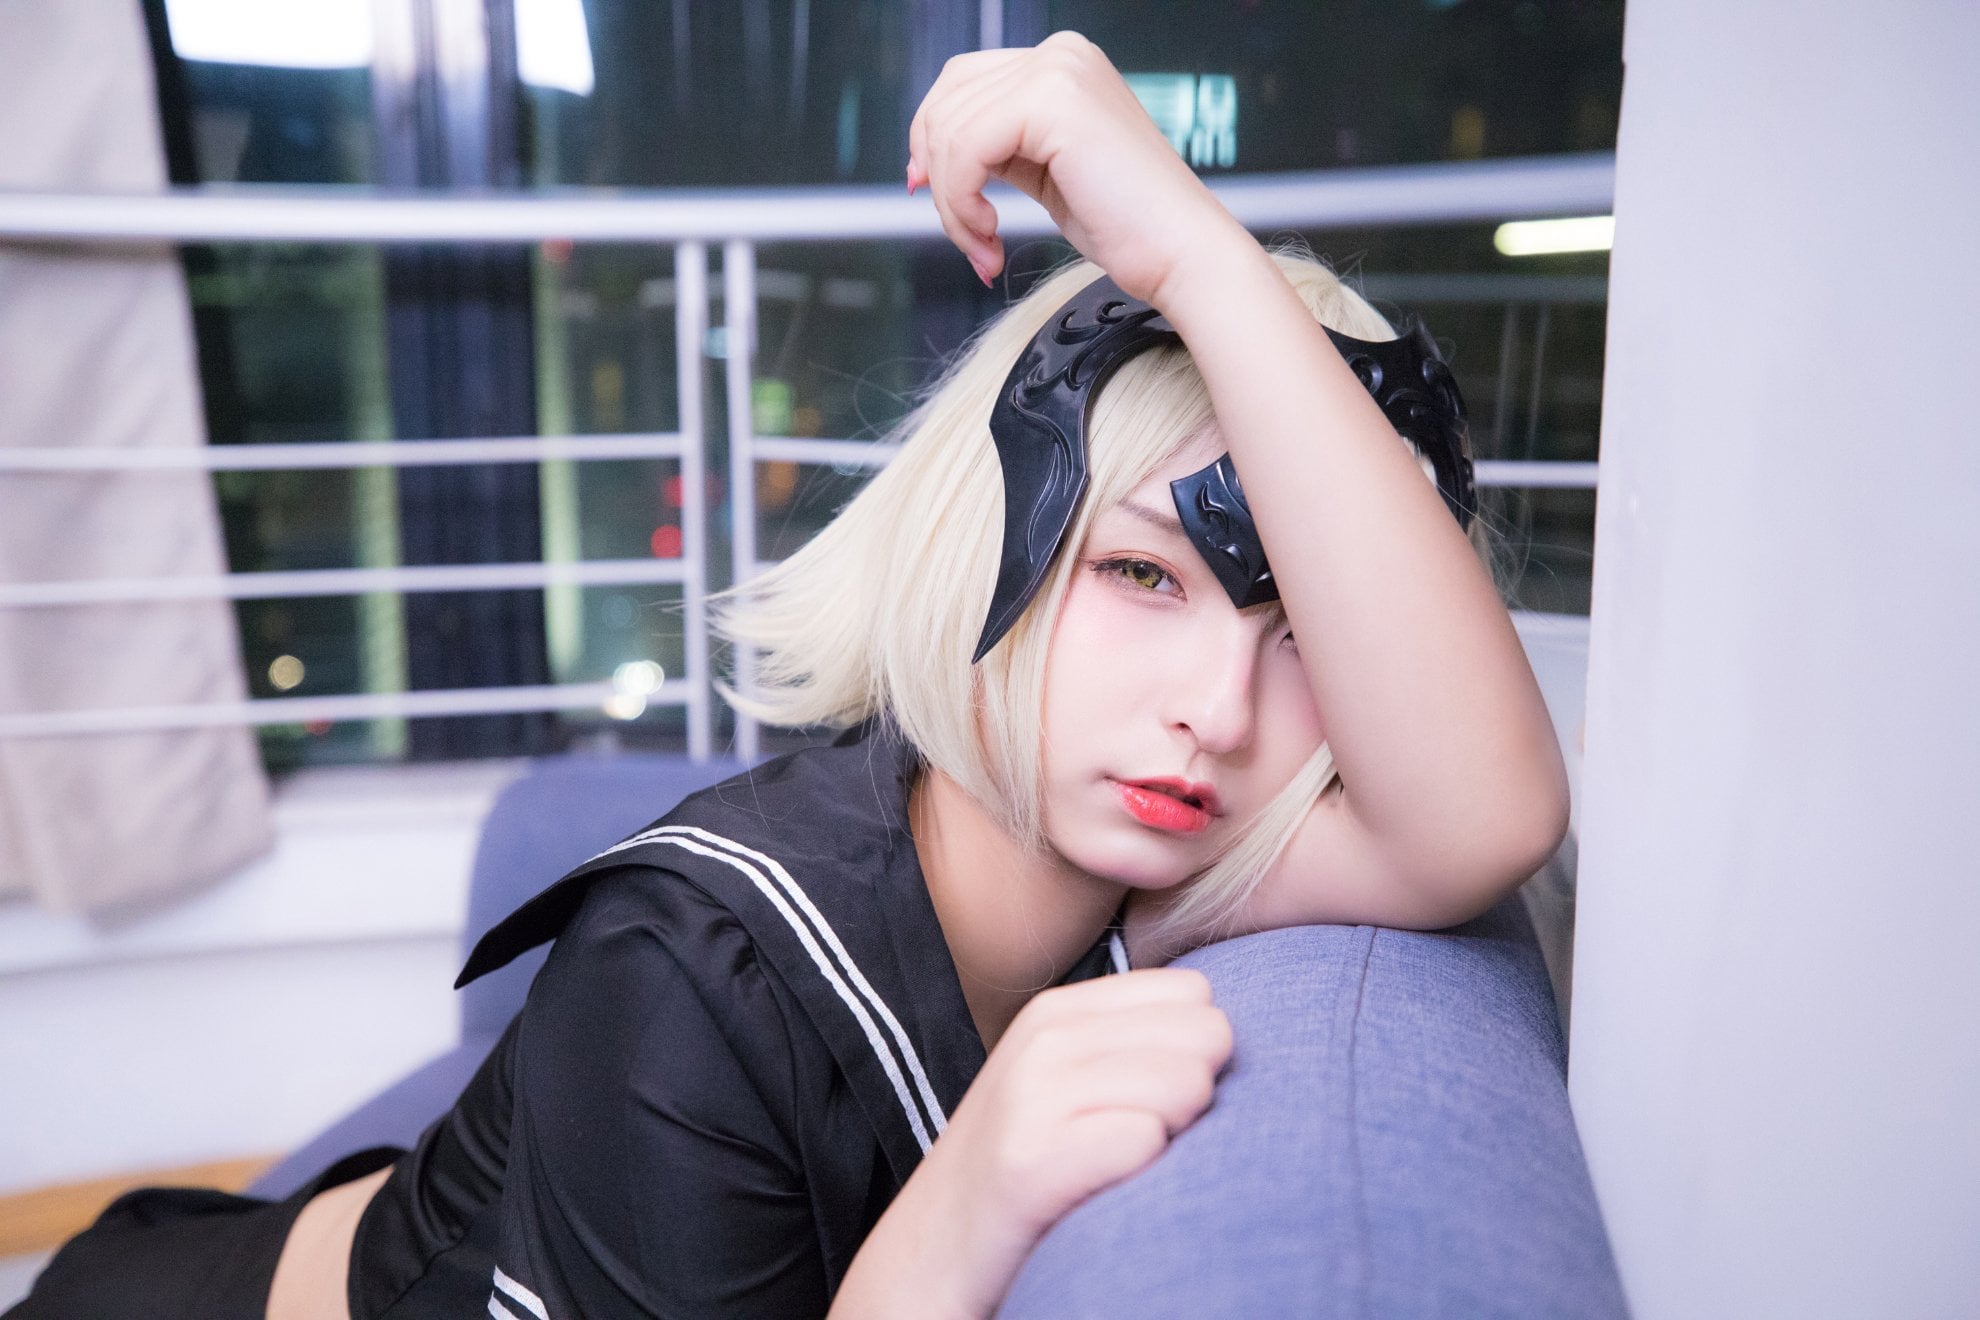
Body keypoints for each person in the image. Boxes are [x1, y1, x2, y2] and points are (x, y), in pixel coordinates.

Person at [9, 32, 1567, 1320]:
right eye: (1142, 574)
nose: (1215, 714)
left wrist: (1199, 255)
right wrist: (960, 1210)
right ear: (992, 534)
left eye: (1299, 640)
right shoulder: (687, 979)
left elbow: (1480, 818)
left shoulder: (1160, 851)